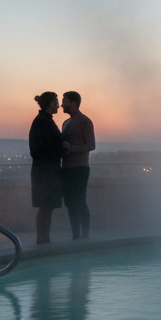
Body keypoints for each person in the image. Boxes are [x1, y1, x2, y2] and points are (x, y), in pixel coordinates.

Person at [60, 90, 96, 239]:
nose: (62, 104)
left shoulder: (85, 121)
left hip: (80, 169)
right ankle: (76, 235)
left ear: (73, 103)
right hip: (67, 169)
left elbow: (91, 145)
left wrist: (72, 148)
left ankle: (85, 236)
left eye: (65, 101)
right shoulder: (66, 122)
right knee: (70, 203)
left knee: (80, 202)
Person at [29, 91, 63, 244]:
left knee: (46, 207)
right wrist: (62, 147)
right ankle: (43, 240)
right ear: (50, 104)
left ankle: (44, 239)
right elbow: (38, 149)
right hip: (45, 172)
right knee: (45, 207)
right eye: (56, 102)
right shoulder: (43, 122)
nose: (58, 105)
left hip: (46, 171)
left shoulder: (43, 120)